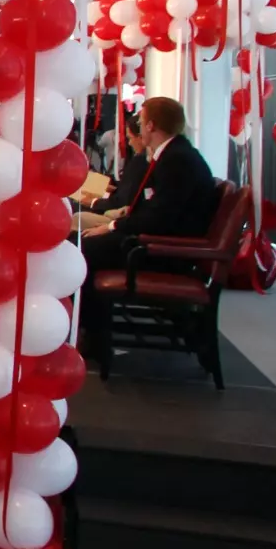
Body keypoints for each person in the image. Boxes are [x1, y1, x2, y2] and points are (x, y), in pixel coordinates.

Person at [78, 97, 220, 357]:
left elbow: (159, 217)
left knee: (84, 250)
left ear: (151, 126)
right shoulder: (175, 155)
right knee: (84, 243)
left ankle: (95, 337)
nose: (140, 128)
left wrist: (112, 227)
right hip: (155, 240)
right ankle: (90, 331)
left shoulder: (177, 161)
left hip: (163, 250)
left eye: (141, 122)